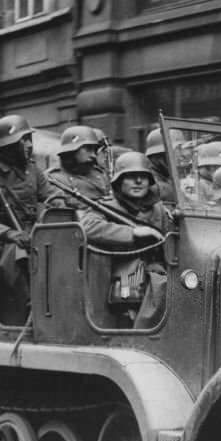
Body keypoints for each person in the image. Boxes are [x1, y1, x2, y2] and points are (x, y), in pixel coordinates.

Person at [0, 114, 64, 313]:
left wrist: (61, 204)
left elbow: (51, 197)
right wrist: (8, 234)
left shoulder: (33, 172)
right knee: (17, 250)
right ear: (7, 146)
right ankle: (31, 309)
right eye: (23, 141)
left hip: (27, 238)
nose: (28, 146)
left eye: (29, 140)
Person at [81, 151, 170, 329]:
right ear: (119, 181)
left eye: (143, 177)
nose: (138, 182)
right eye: (131, 177)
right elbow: (87, 227)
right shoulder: (106, 206)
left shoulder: (158, 209)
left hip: (158, 272)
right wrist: (133, 233)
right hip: (123, 276)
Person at [47, 125, 109, 206]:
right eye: (88, 149)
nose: (93, 155)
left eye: (94, 150)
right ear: (72, 150)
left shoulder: (100, 175)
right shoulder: (53, 178)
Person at [144, 126, 184, 203]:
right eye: (176, 150)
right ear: (159, 155)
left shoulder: (165, 176)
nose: (181, 155)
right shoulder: (155, 185)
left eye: (180, 149)